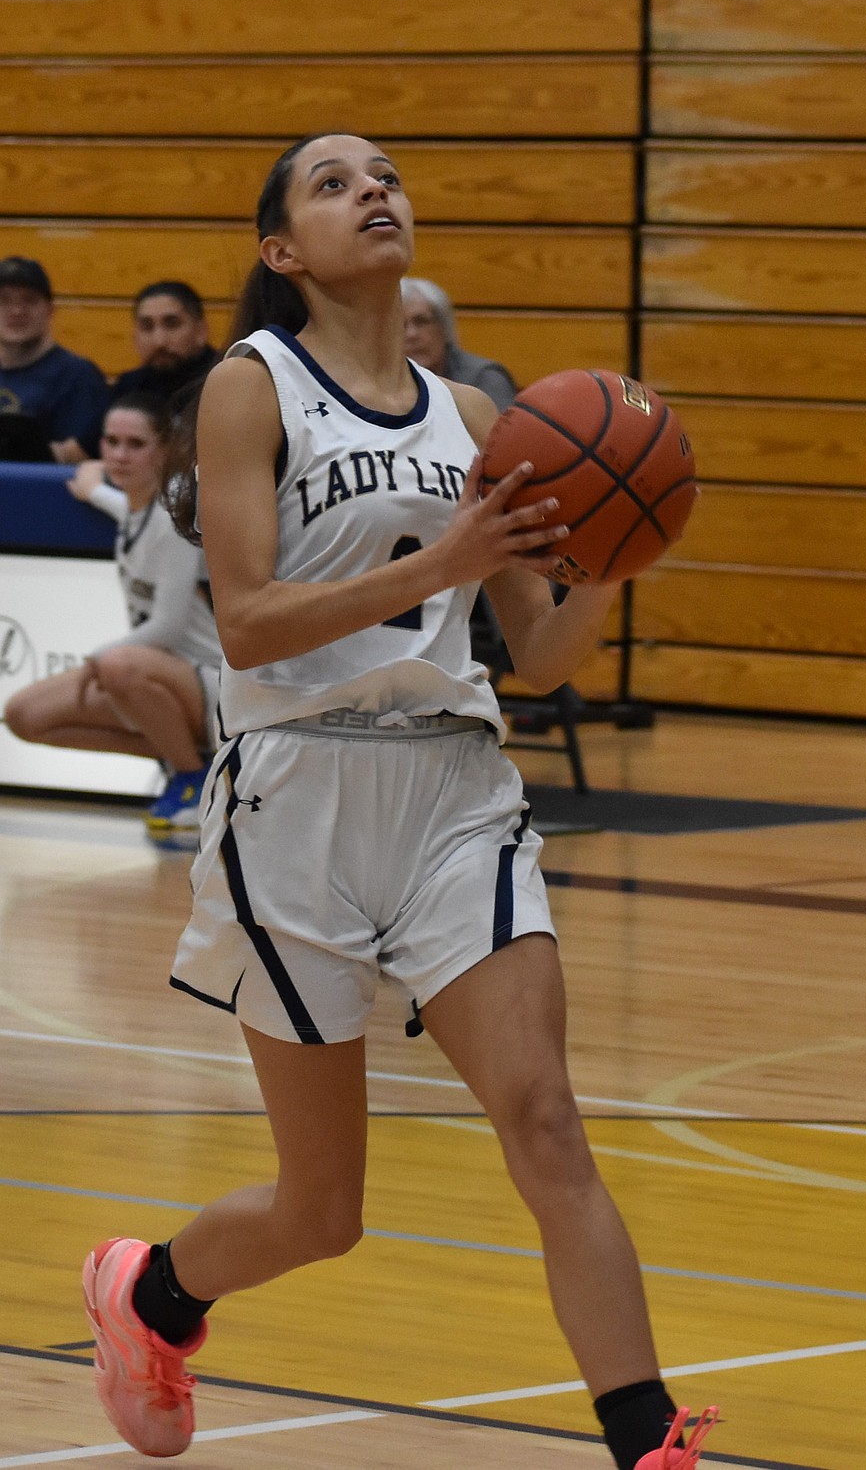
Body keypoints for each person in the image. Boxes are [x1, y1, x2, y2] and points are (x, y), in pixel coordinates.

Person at [78, 134, 716, 1469]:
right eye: (334, 182)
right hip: (296, 799)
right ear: (281, 249)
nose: (374, 189)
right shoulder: (253, 387)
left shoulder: (476, 419)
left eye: (385, 174)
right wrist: (447, 556)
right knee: (323, 1212)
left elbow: (537, 655)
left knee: (545, 1119)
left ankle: (651, 1443)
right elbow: (248, 623)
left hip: (453, 794)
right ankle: (151, 1295)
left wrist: (617, 549)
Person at [3, 393, 222, 831]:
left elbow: (168, 626)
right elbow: (131, 512)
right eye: (111, 441)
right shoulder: (140, 508)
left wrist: (98, 658)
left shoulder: (175, 515)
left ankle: (193, 778)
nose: (120, 455)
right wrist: (96, 492)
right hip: (162, 676)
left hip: (213, 679)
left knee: (117, 665)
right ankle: (190, 757)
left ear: (166, 449)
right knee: (24, 715)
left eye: (135, 444)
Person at [0, 256, 108, 462]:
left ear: (50, 310)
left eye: (29, 300)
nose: (16, 311)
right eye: (4, 300)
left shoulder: (79, 377)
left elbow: (81, 455)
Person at [402, 274, 518, 412]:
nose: (411, 334)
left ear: (445, 327)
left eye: (422, 321)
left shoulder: (484, 378)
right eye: (399, 325)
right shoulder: (382, 386)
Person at [107, 280, 219, 409]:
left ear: (201, 330)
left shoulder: (223, 381)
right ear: (135, 336)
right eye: (147, 326)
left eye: (172, 324)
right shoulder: (128, 389)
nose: (159, 341)